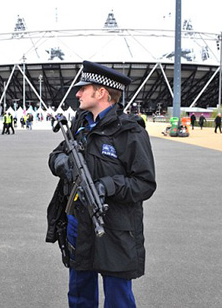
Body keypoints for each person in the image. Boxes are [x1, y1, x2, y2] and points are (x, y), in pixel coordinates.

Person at [47, 60, 156, 307]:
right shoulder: (80, 125)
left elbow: (145, 183)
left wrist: (107, 186)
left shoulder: (130, 131)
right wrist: (64, 164)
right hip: (78, 222)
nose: (77, 94)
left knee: (118, 298)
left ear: (102, 92)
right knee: (79, 294)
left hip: (114, 226)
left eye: (83, 88)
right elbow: (55, 156)